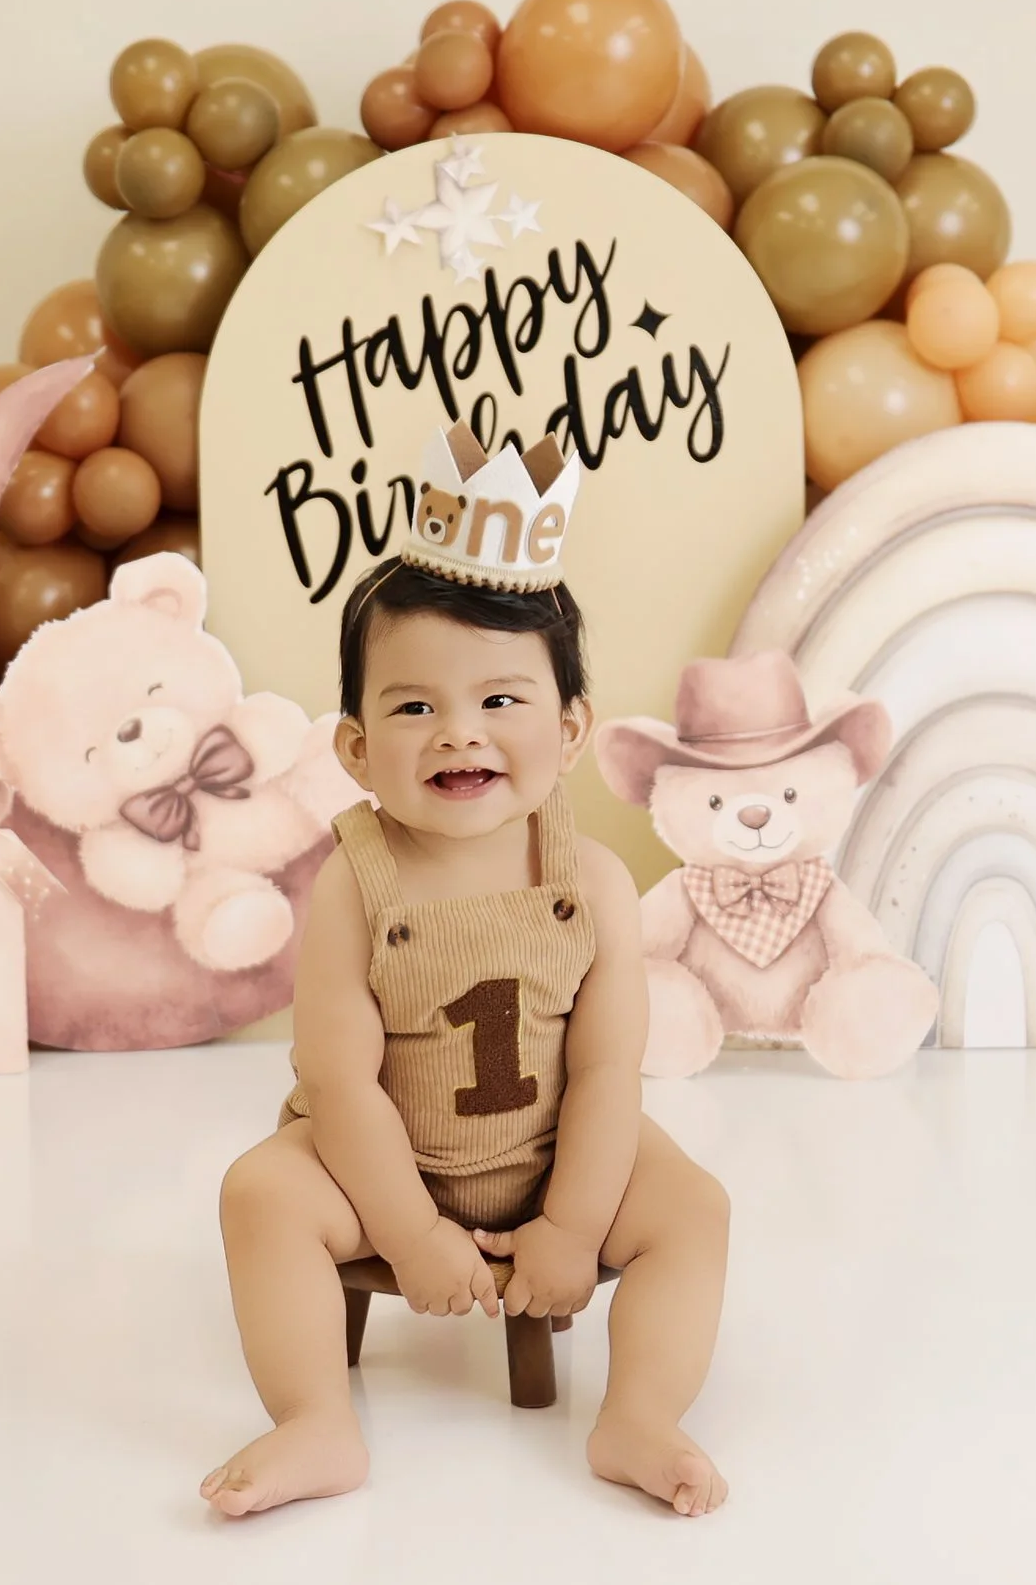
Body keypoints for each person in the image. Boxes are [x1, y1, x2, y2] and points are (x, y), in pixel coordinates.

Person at [201, 425, 731, 1518]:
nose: (458, 734)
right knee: (260, 1192)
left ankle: (640, 1413)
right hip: (381, 1163)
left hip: (554, 1157)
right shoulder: (353, 883)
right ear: (356, 748)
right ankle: (314, 1418)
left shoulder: (594, 882)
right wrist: (409, 1231)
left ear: (570, 729)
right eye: (413, 707)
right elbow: (340, 1081)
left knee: (694, 1209)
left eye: (499, 701)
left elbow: (607, 1073)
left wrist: (572, 1226)